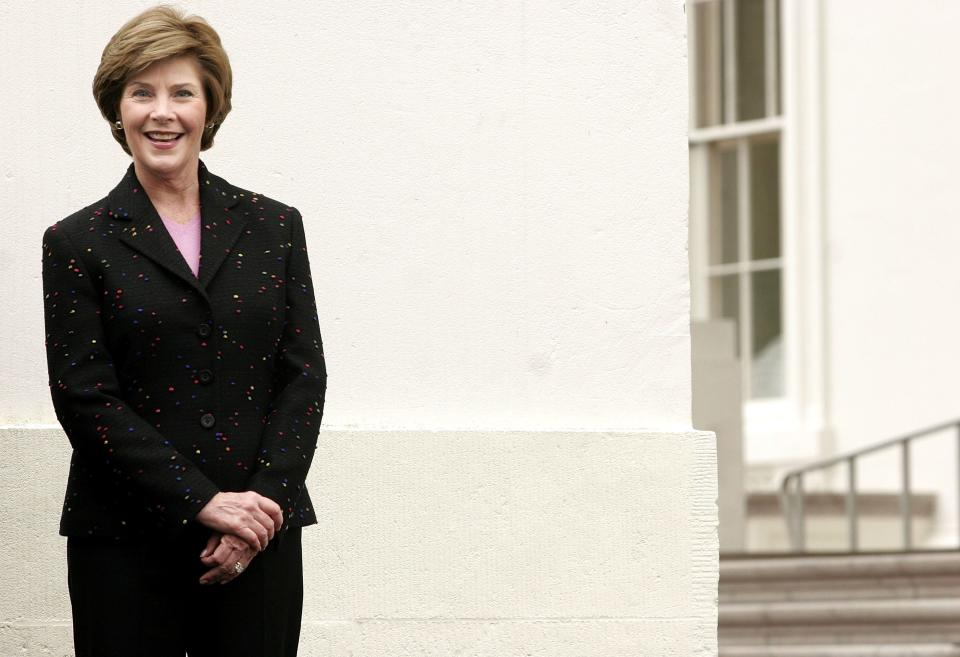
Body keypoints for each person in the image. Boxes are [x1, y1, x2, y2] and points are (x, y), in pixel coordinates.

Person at [40, 5, 327, 656]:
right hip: (123, 543)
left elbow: (303, 374)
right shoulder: (77, 241)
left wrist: (259, 508)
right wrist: (204, 501)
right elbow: (85, 395)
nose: (161, 111)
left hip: (259, 540)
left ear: (210, 109)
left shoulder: (274, 227)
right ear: (117, 109)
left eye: (181, 92)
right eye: (141, 92)